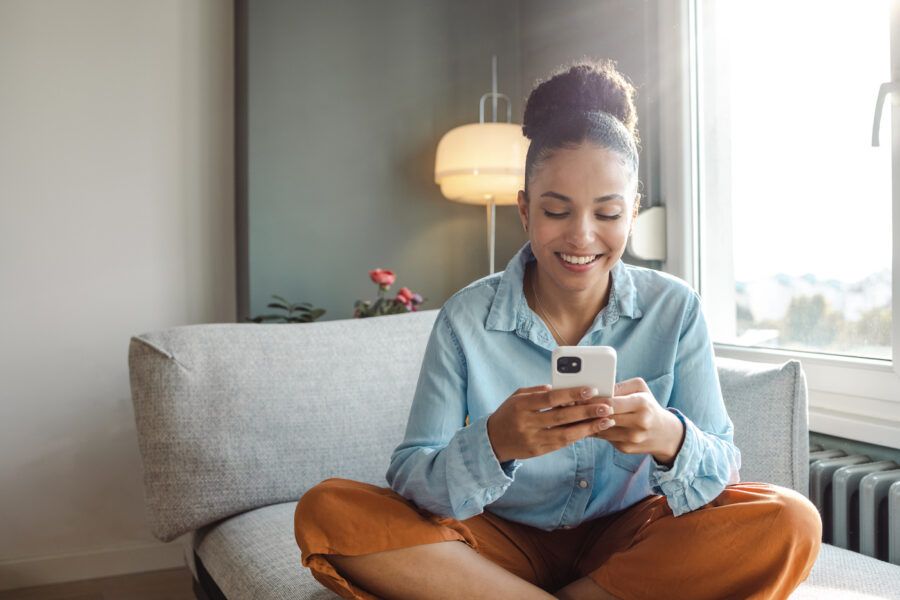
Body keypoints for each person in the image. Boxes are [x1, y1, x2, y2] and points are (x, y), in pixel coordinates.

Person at [295, 59, 822, 600]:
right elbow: (412, 475)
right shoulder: (465, 319)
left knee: (791, 521)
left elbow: (722, 474)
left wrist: (668, 436)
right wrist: (496, 442)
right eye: (556, 210)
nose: (582, 236)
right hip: (497, 542)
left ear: (632, 213)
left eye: (607, 213)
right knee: (329, 510)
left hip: (629, 543)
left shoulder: (676, 308)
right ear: (524, 210)